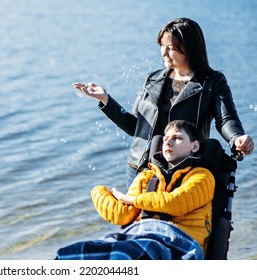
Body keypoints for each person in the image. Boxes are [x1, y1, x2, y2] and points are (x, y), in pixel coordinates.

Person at [73, 18, 254, 188]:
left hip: (184, 170)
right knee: (136, 221)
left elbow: (225, 119)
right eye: (162, 46)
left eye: (171, 48)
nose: (164, 53)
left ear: (189, 49)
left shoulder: (212, 81)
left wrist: (236, 137)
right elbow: (135, 127)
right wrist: (106, 100)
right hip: (140, 168)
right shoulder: (153, 79)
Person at [56, 120, 215, 260]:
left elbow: (176, 202)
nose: (168, 142)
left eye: (177, 138)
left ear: (195, 146)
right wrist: (98, 191)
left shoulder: (202, 176)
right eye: (165, 138)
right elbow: (123, 215)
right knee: (75, 254)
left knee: (125, 255)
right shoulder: (146, 177)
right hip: (138, 234)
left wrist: (129, 199)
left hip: (179, 242)